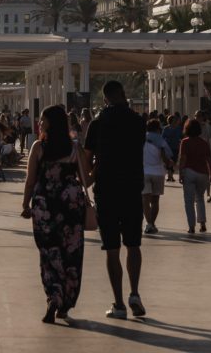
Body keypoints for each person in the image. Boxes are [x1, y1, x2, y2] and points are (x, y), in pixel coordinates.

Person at [83, 80, 147, 320]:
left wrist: (92, 173)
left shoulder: (97, 125)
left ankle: (119, 304)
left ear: (105, 98)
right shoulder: (137, 122)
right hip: (132, 188)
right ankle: (135, 293)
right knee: (133, 245)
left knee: (111, 249)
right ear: (122, 93)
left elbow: (88, 160)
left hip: (107, 190)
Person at [22, 105, 86, 323]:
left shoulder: (39, 147)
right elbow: (85, 177)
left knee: (49, 254)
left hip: (45, 207)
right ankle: (65, 305)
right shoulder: (75, 148)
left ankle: (53, 297)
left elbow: (30, 180)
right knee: (71, 254)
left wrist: (25, 204)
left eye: (42, 120)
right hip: (71, 207)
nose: (39, 123)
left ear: (51, 123)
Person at [178, 118, 211, 234]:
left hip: (189, 172)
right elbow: (209, 160)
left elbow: (183, 159)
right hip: (203, 174)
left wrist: (180, 173)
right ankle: (202, 223)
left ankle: (191, 226)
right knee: (199, 198)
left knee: (189, 201)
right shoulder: (204, 143)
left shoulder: (185, 142)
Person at [142, 119, 174, 234]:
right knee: (155, 201)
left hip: (144, 172)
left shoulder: (140, 138)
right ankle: (152, 224)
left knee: (145, 200)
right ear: (157, 128)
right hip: (158, 173)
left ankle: (148, 224)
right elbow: (168, 157)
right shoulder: (160, 140)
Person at [194, 110, 211, 202]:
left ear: (203, 117)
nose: (197, 117)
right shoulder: (192, 126)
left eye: (199, 116)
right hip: (194, 152)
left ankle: (208, 194)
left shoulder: (207, 126)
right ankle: (196, 194)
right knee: (195, 173)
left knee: (206, 173)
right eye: (196, 116)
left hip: (205, 151)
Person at [162, 114, 182, 182]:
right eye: (173, 120)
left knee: (174, 161)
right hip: (168, 147)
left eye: (175, 120)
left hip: (175, 146)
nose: (174, 121)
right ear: (169, 121)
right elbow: (163, 137)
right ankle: (170, 176)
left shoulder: (178, 128)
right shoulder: (166, 128)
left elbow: (180, 136)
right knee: (169, 161)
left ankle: (171, 175)